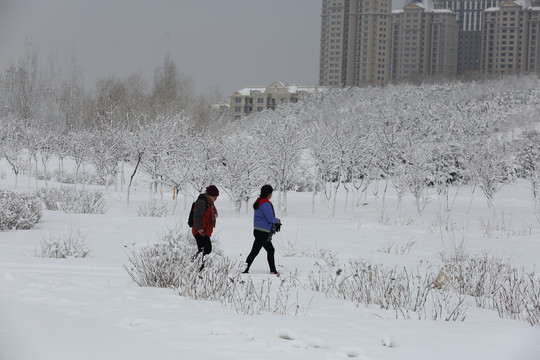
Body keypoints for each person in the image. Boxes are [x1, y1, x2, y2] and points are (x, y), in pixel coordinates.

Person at [243, 184, 281, 275]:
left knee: (264, 250)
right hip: (263, 232)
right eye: (271, 193)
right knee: (259, 251)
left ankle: (246, 268)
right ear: (269, 193)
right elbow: (270, 218)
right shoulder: (265, 203)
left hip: (257, 230)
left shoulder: (259, 201)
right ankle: (245, 268)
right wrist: (278, 221)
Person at [192, 185, 219, 266]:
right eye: (215, 197)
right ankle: (195, 265)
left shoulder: (209, 203)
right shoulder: (202, 202)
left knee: (205, 250)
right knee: (205, 250)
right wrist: (199, 228)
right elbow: (196, 216)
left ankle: (197, 265)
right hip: (200, 231)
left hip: (204, 231)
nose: (215, 199)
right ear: (210, 195)